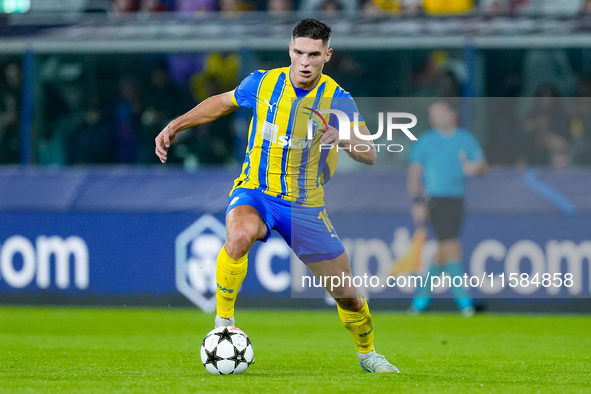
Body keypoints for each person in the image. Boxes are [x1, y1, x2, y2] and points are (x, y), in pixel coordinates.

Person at [155, 18, 399, 373]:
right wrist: (175, 125)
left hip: (304, 206)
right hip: (256, 191)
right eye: (298, 52)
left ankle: (368, 354)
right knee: (238, 236)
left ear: (327, 56)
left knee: (347, 294)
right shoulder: (264, 82)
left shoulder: (338, 100)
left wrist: (344, 138)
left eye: (313, 54)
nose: (304, 61)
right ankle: (223, 324)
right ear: (290, 50)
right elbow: (222, 103)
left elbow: (370, 153)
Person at [406, 99, 487, 316]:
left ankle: (419, 304)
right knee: (452, 246)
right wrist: (417, 201)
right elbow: (414, 173)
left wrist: (476, 168)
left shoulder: (465, 139)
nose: (434, 118)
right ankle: (465, 304)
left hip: (457, 201)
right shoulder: (426, 141)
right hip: (436, 200)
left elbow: (482, 166)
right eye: (432, 114)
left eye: (439, 113)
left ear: (452, 114)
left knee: (443, 253)